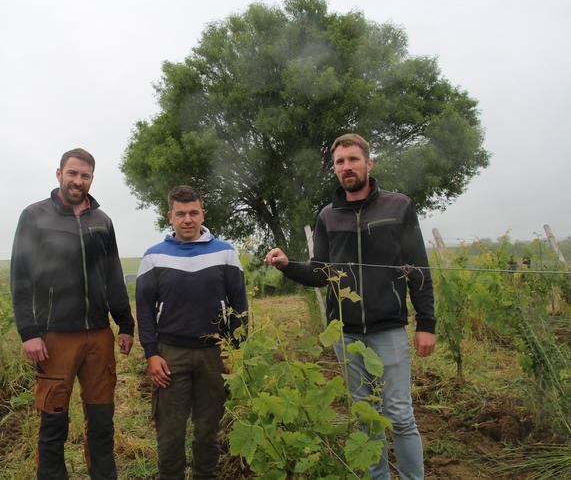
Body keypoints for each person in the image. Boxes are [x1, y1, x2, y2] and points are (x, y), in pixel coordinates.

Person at [265, 133, 436, 480]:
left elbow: (418, 268)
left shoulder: (398, 206)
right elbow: (320, 272)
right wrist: (287, 265)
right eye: (340, 162)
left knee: (400, 414)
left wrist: (426, 323)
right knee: (364, 416)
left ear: (368, 163)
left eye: (353, 160)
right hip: (347, 334)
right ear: (335, 170)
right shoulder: (328, 216)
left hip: (388, 328)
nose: (347, 167)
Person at [11, 147, 134, 480]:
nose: (78, 181)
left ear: (92, 178)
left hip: (98, 334)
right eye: (72, 173)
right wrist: (29, 331)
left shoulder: (102, 221)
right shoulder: (35, 217)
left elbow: (113, 275)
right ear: (59, 174)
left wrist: (125, 322)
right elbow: (20, 278)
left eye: (85, 175)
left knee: (102, 420)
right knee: (53, 422)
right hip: (54, 337)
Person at [136, 185, 248, 480]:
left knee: (207, 429)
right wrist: (151, 354)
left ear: (203, 214)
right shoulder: (153, 256)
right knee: (170, 431)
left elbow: (240, 305)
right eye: (181, 213)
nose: (188, 219)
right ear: (169, 216)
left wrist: (235, 350)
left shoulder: (225, 252)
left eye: (193, 213)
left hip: (215, 354)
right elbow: (145, 311)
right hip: (170, 354)